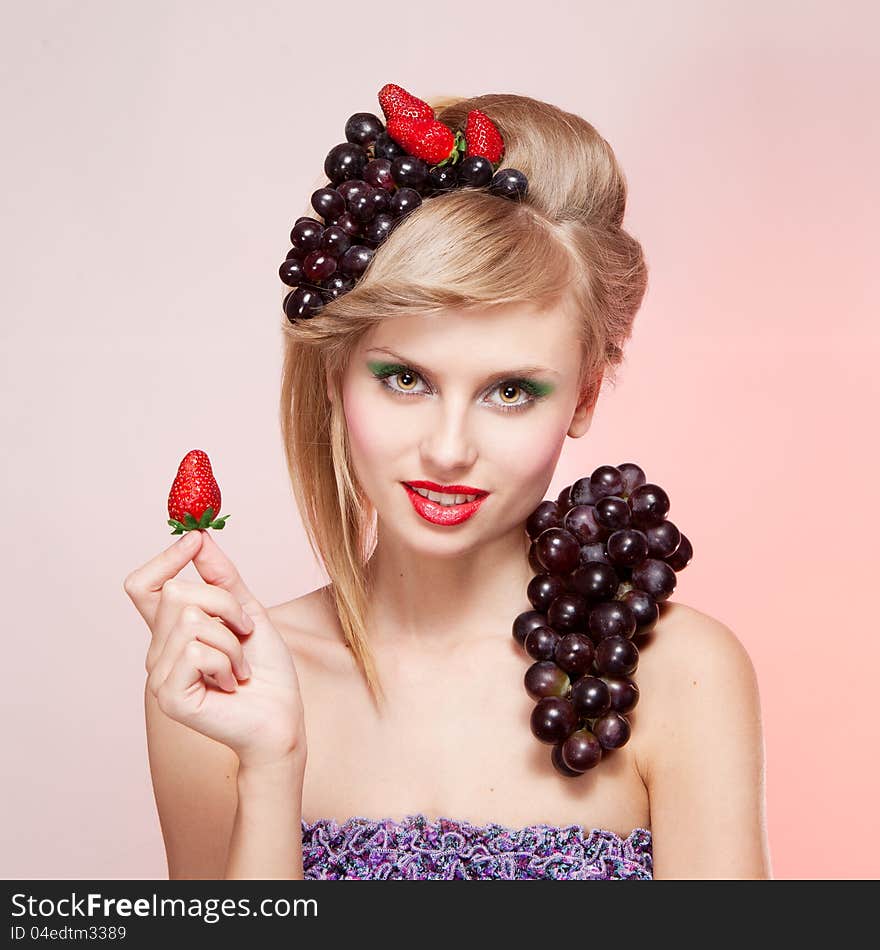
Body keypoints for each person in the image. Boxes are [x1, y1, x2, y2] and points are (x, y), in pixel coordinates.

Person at [123, 92, 772, 880]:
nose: (449, 449)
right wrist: (271, 770)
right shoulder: (223, 685)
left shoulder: (680, 676)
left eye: (510, 391)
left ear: (586, 397)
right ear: (336, 374)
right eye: (405, 378)